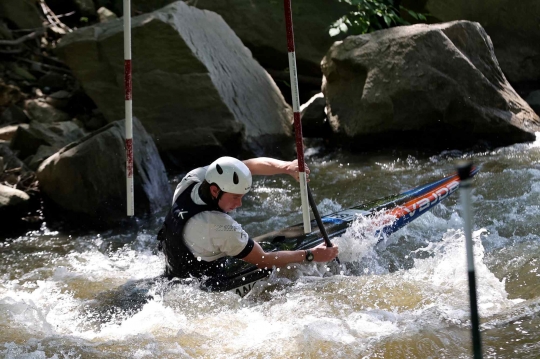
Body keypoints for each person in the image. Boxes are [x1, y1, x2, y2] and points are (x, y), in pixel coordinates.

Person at [157, 156, 339, 280]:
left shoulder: (194, 179)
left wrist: (286, 167)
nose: (240, 204)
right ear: (215, 190)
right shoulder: (219, 226)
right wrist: (311, 255)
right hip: (201, 284)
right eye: (236, 197)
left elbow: (246, 166)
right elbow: (264, 260)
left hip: (173, 266)